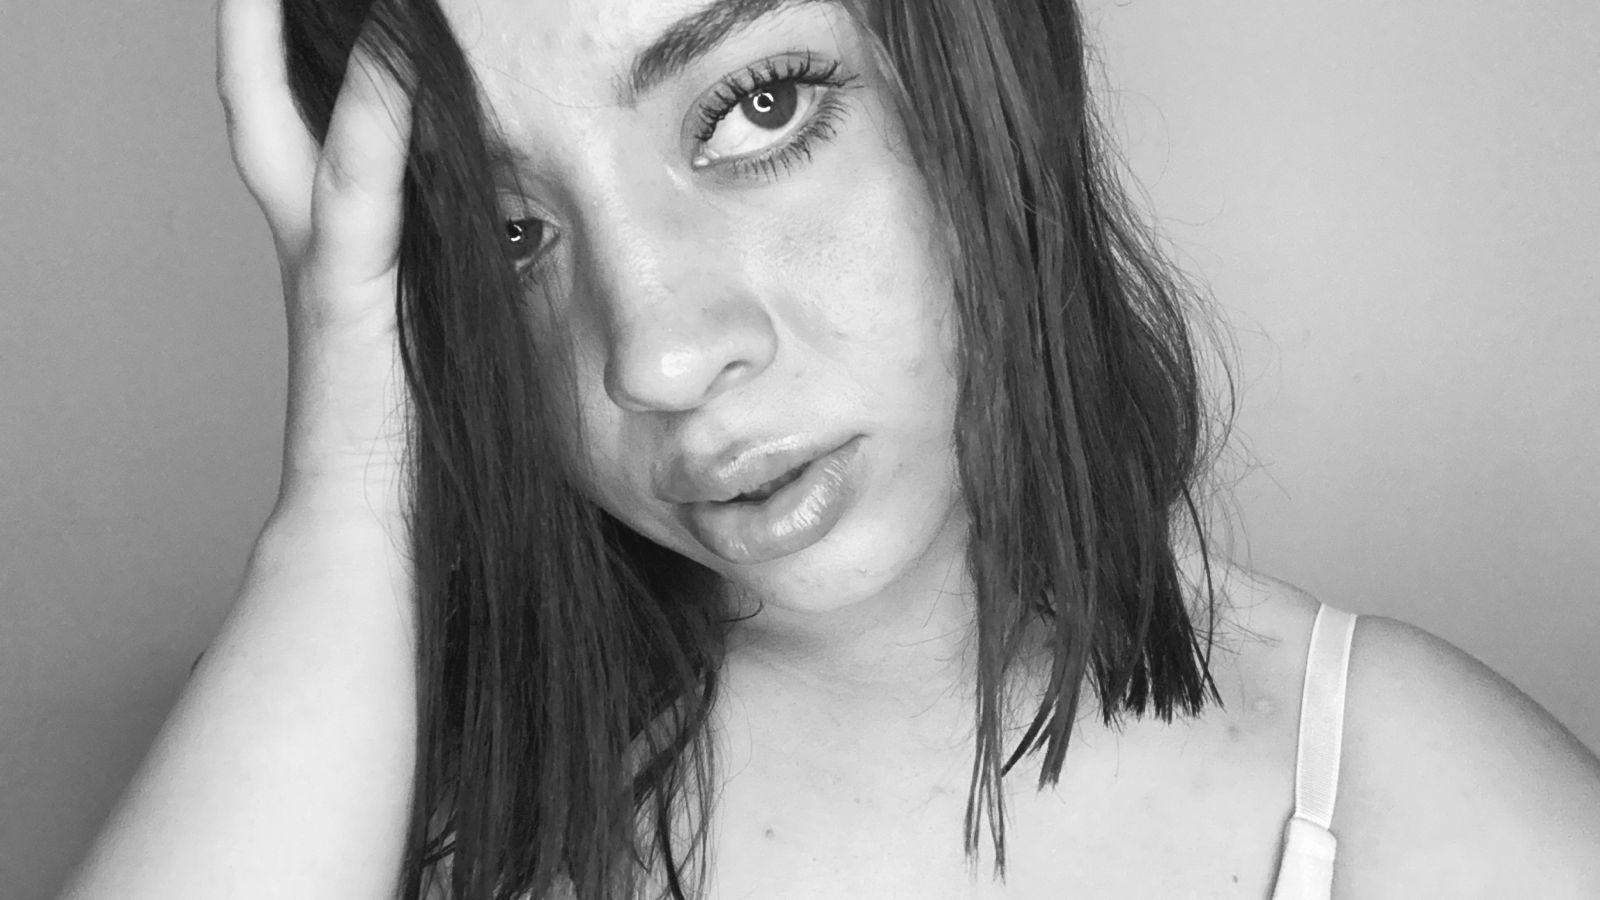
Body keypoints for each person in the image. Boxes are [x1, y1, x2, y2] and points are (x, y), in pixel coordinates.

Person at [62, 0, 1600, 897]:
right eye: (508, 232)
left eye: (757, 107)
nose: (657, 355)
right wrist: (348, 496)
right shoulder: (369, 791)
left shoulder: (1418, 802)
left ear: (981, 84)